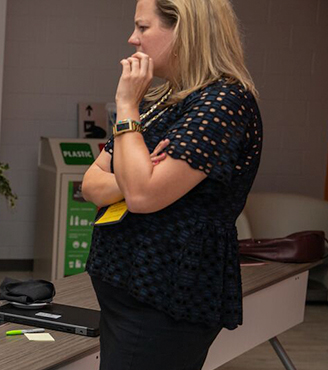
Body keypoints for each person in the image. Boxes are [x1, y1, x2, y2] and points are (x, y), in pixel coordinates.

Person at [81, 0, 262, 369]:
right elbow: (91, 184)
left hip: (165, 300)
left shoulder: (224, 102)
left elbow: (143, 197)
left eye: (143, 28)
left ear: (183, 29)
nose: (132, 39)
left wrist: (126, 106)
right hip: (126, 293)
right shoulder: (162, 99)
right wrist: (137, 173)